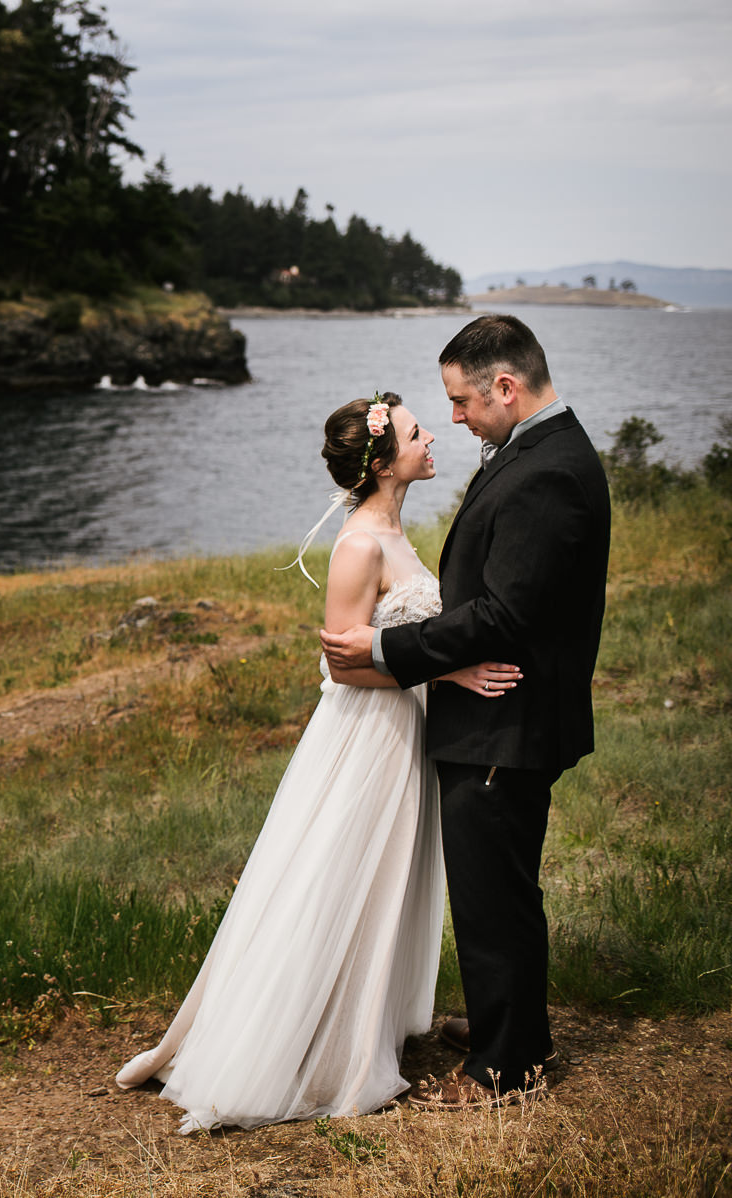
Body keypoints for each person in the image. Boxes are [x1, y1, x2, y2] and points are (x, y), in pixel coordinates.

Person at [114, 391, 522, 1134]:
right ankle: (289, 1045)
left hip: (403, 729)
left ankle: (359, 1020)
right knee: (337, 874)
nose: (432, 435)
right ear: (382, 460)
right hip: (367, 734)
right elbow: (342, 666)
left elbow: (393, 637)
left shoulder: (395, 527)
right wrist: (449, 673)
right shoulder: (361, 544)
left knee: (381, 881)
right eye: (413, 432)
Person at [321, 315, 611, 1110]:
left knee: (495, 896)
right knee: (496, 888)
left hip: (507, 719)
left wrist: (384, 653)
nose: (453, 417)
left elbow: (502, 617)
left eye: (460, 402)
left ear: (506, 388)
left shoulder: (547, 471)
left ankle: (504, 1068)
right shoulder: (536, 450)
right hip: (502, 714)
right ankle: (506, 1027)